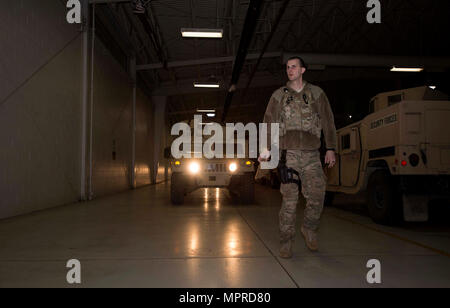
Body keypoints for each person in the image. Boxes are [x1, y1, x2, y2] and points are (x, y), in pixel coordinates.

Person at [259, 56, 337, 257]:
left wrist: (331, 148)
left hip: (312, 155)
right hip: (289, 155)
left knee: (317, 195)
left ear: (303, 70)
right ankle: (286, 241)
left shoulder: (316, 93)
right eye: (287, 67)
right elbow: (269, 122)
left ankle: (309, 228)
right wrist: (266, 148)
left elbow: (328, 120)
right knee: (290, 200)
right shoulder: (279, 95)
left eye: (294, 67)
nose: (290, 70)